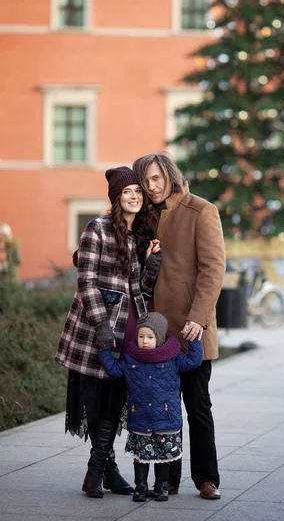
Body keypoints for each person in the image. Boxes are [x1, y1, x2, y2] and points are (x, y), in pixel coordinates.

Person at [55, 166, 162, 499]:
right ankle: (97, 474)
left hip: (130, 327)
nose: (133, 197)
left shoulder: (138, 236)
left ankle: (103, 471)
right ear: (117, 198)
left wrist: (151, 265)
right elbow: (85, 281)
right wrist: (101, 323)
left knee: (115, 402)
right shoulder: (96, 229)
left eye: (138, 192)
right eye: (127, 192)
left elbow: (139, 291)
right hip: (97, 329)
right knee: (101, 402)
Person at [133, 153, 225, 500]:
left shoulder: (202, 210)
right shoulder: (146, 217)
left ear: (170, 175)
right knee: (163, 406)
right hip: (156, 333)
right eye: (146, 181)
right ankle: (167, 477)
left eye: (157, 178)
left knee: (198, 405)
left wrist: (197, 318)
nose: (151, 186)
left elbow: (213, 270)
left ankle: (206, 478)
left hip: (192, 329)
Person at [98, 312, 203, 503]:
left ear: (160, 338)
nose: (145, 341)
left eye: (150, 337)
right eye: (141, 336)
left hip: (166, 418)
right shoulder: (132, 359)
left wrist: (195, 339)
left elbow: (193, 361)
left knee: (164, 457)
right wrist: (103, 350)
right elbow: (114, 370)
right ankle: (141, 486)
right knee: (141, 456)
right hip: (141, 417)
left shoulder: (172, 358)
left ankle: (161, 486)